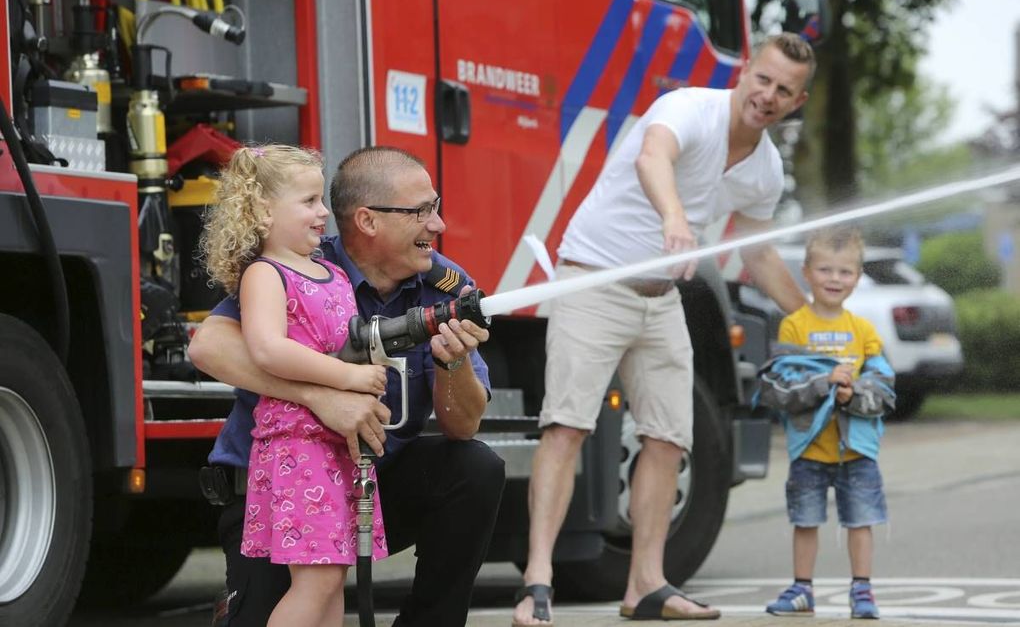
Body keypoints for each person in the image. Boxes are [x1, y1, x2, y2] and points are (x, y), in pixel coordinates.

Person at [512, 33, 815, 626]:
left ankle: (645, 585)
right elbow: (654, 156)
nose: (768, 96)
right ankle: (536, 584)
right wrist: (674, 216)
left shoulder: (765, 168)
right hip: (594, 281)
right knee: (566, 428)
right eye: (763, 79)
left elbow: (756, 252)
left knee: (669, 439)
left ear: (797, 102)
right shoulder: (689, 109)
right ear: (746, 70)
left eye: (784, 91)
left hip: (660, 299)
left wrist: (810, 317)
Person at [189, 146, 506, 627]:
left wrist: (454, 361)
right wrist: (323, 396)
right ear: (368, 220)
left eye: (435, 208)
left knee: (476, 468)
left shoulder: (444, 286)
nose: (437, 225)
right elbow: (209, 346)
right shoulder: (298, 265)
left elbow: (463, 425)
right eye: (421, 211)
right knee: (296, 604)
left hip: (362, 481)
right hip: (276, 487)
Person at [200, 144, 390, 626]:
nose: (323, 212)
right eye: (308, 202)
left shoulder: (332, 274)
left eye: (320, 199)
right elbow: (267, 349)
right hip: (297, 446)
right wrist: (347, 377)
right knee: (316, 580)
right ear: (263, 210)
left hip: (335, 448)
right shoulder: (266, 275)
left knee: (333, 577)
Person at [756, 227, 895, 620]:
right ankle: (802, 590)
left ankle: (862, 591)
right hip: (809, 448)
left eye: (845, 272)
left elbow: (885, 389)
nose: (834, 279)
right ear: (806, 273)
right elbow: (779, 386)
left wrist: (855, 397)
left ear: (857, 276)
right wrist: (825, 382)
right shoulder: (794, 327)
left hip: (857, 451)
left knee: (861, 520)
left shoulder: (863, 331)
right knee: (805, 520)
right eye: (825, 270)